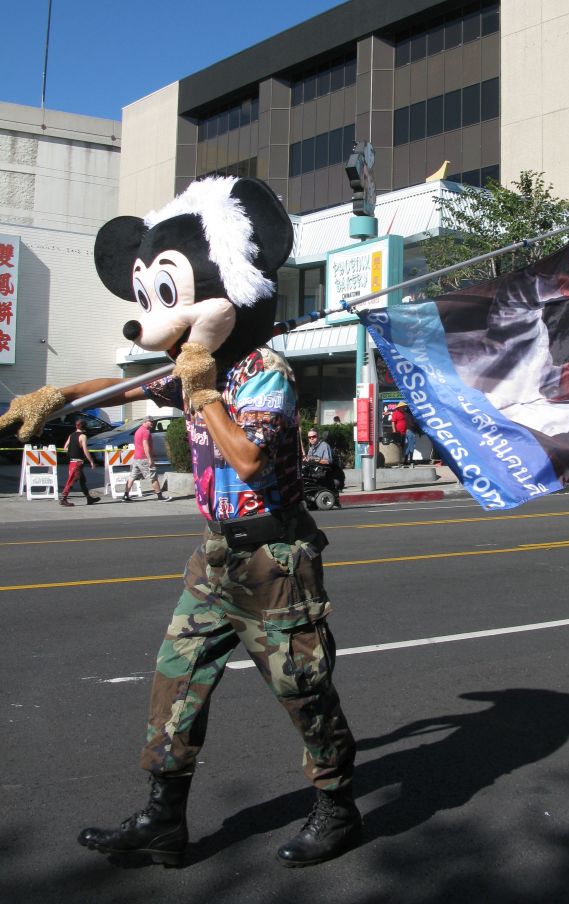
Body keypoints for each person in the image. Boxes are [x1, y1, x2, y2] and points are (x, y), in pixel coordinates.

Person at [0, 176, 359, 869]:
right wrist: (57, 395)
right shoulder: (203, 367)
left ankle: (337, 808)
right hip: (217, 559)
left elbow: (250, 460)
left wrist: (204, 392)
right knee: (176, 678)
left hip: (274, 563)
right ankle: (163, 819)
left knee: (304, 691)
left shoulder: (263, 372)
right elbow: (131, 386)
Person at [121, 417, 171, 502]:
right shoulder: (145, 432)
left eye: (153, 421)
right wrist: (150, 459)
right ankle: (160, 496)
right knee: (153, 477)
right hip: (143, 458)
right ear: (145, 421)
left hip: (136, 458)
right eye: (150, 421)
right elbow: (145, 446)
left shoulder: (138, 430)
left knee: (132, 477)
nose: (152, 423)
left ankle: (125, 496)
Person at [59, 419, 101, 507]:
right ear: (84, 427)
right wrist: (91, 461)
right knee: (71, 480)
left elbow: (65, 448)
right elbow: (85, 450)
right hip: (78, 462)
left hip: (72, 461)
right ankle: (63, 498)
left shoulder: (71, 435)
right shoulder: (83, 436)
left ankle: (89, 498)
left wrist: (72, 450)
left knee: (82, 480)